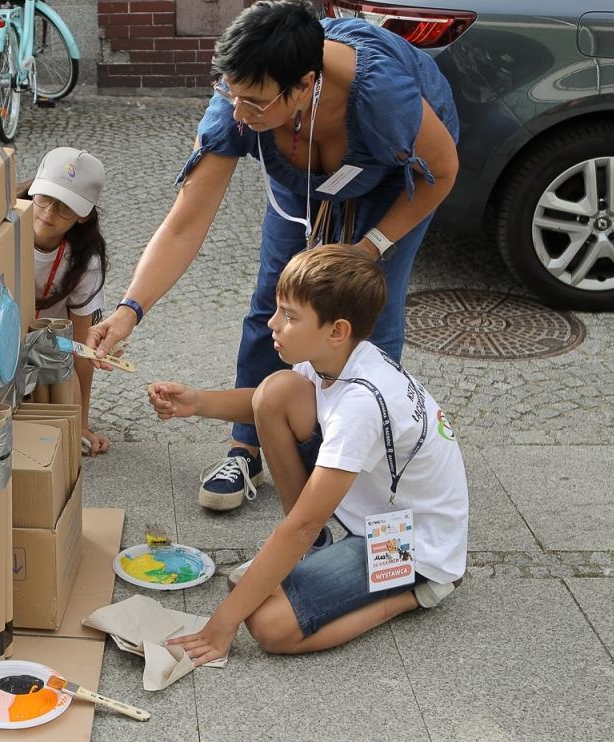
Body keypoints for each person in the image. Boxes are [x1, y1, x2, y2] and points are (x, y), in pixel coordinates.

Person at [90, 0, 460, 516]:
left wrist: (368, 247)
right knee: (277, 301)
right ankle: (248, 447)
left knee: (368, 313)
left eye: (256, 102)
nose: (240, 113)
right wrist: (129, 311)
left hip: (392, 180)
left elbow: (441, 172)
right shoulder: (240, 104)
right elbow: (185, 221)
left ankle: (357, 453)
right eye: (231, 94)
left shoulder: (379, 94)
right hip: (301, 180)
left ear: (307, 83)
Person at [146, 245, 467, 663]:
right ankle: (317, 551)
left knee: (268, 626)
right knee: (277, 392)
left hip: (413, 542)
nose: (273, 323)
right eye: (279, 309)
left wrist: (220, 626)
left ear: (337, 330)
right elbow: (267, 402)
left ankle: (415, 593)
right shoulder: (336, 356)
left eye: (290, 316)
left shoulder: (361, 406)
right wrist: (198, 403)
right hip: (380, 515)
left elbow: (301, 523)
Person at [25, 147, 111, 455]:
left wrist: (83, 421)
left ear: (83, 215)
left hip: (47, 344)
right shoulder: (1, 224)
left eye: (65, 208)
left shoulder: (85, 261)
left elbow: (79, 346)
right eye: (45, 198)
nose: (48, 213)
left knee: (66, 389)